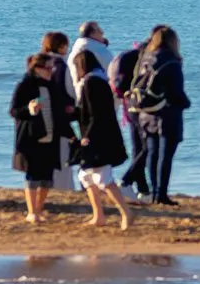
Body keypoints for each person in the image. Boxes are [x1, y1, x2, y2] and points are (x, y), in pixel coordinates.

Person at [125, 26, 190, 206]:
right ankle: (161, 194)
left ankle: (154, 192)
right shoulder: (171, 62)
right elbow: (177, 92)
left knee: (152, 153)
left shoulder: (145, 58)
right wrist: (186, 103)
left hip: (146, 112)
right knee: (165, 156)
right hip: (167, 113)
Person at [70, 48, 132, 228]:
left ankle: (126, 213)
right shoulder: (99, 80)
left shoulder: (91, 83)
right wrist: (72, 113)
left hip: (98, 138)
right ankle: (99, 216)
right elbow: (89, 111)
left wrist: (87, 136)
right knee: (86, 176)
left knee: (102, 178)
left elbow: (94, 114)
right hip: (102, 135)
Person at [11, 48, 70, 223]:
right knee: (33, 176)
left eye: (52, 68)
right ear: (37, 68)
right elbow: (14, 111)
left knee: (47, 178)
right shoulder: (25, 85)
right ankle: (31, 211)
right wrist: (29, 110)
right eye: (48, 68)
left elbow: (59, 110)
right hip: (31, 138)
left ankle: (39, 208)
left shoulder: (52, 86)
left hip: (51, 138)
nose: (51, 71)